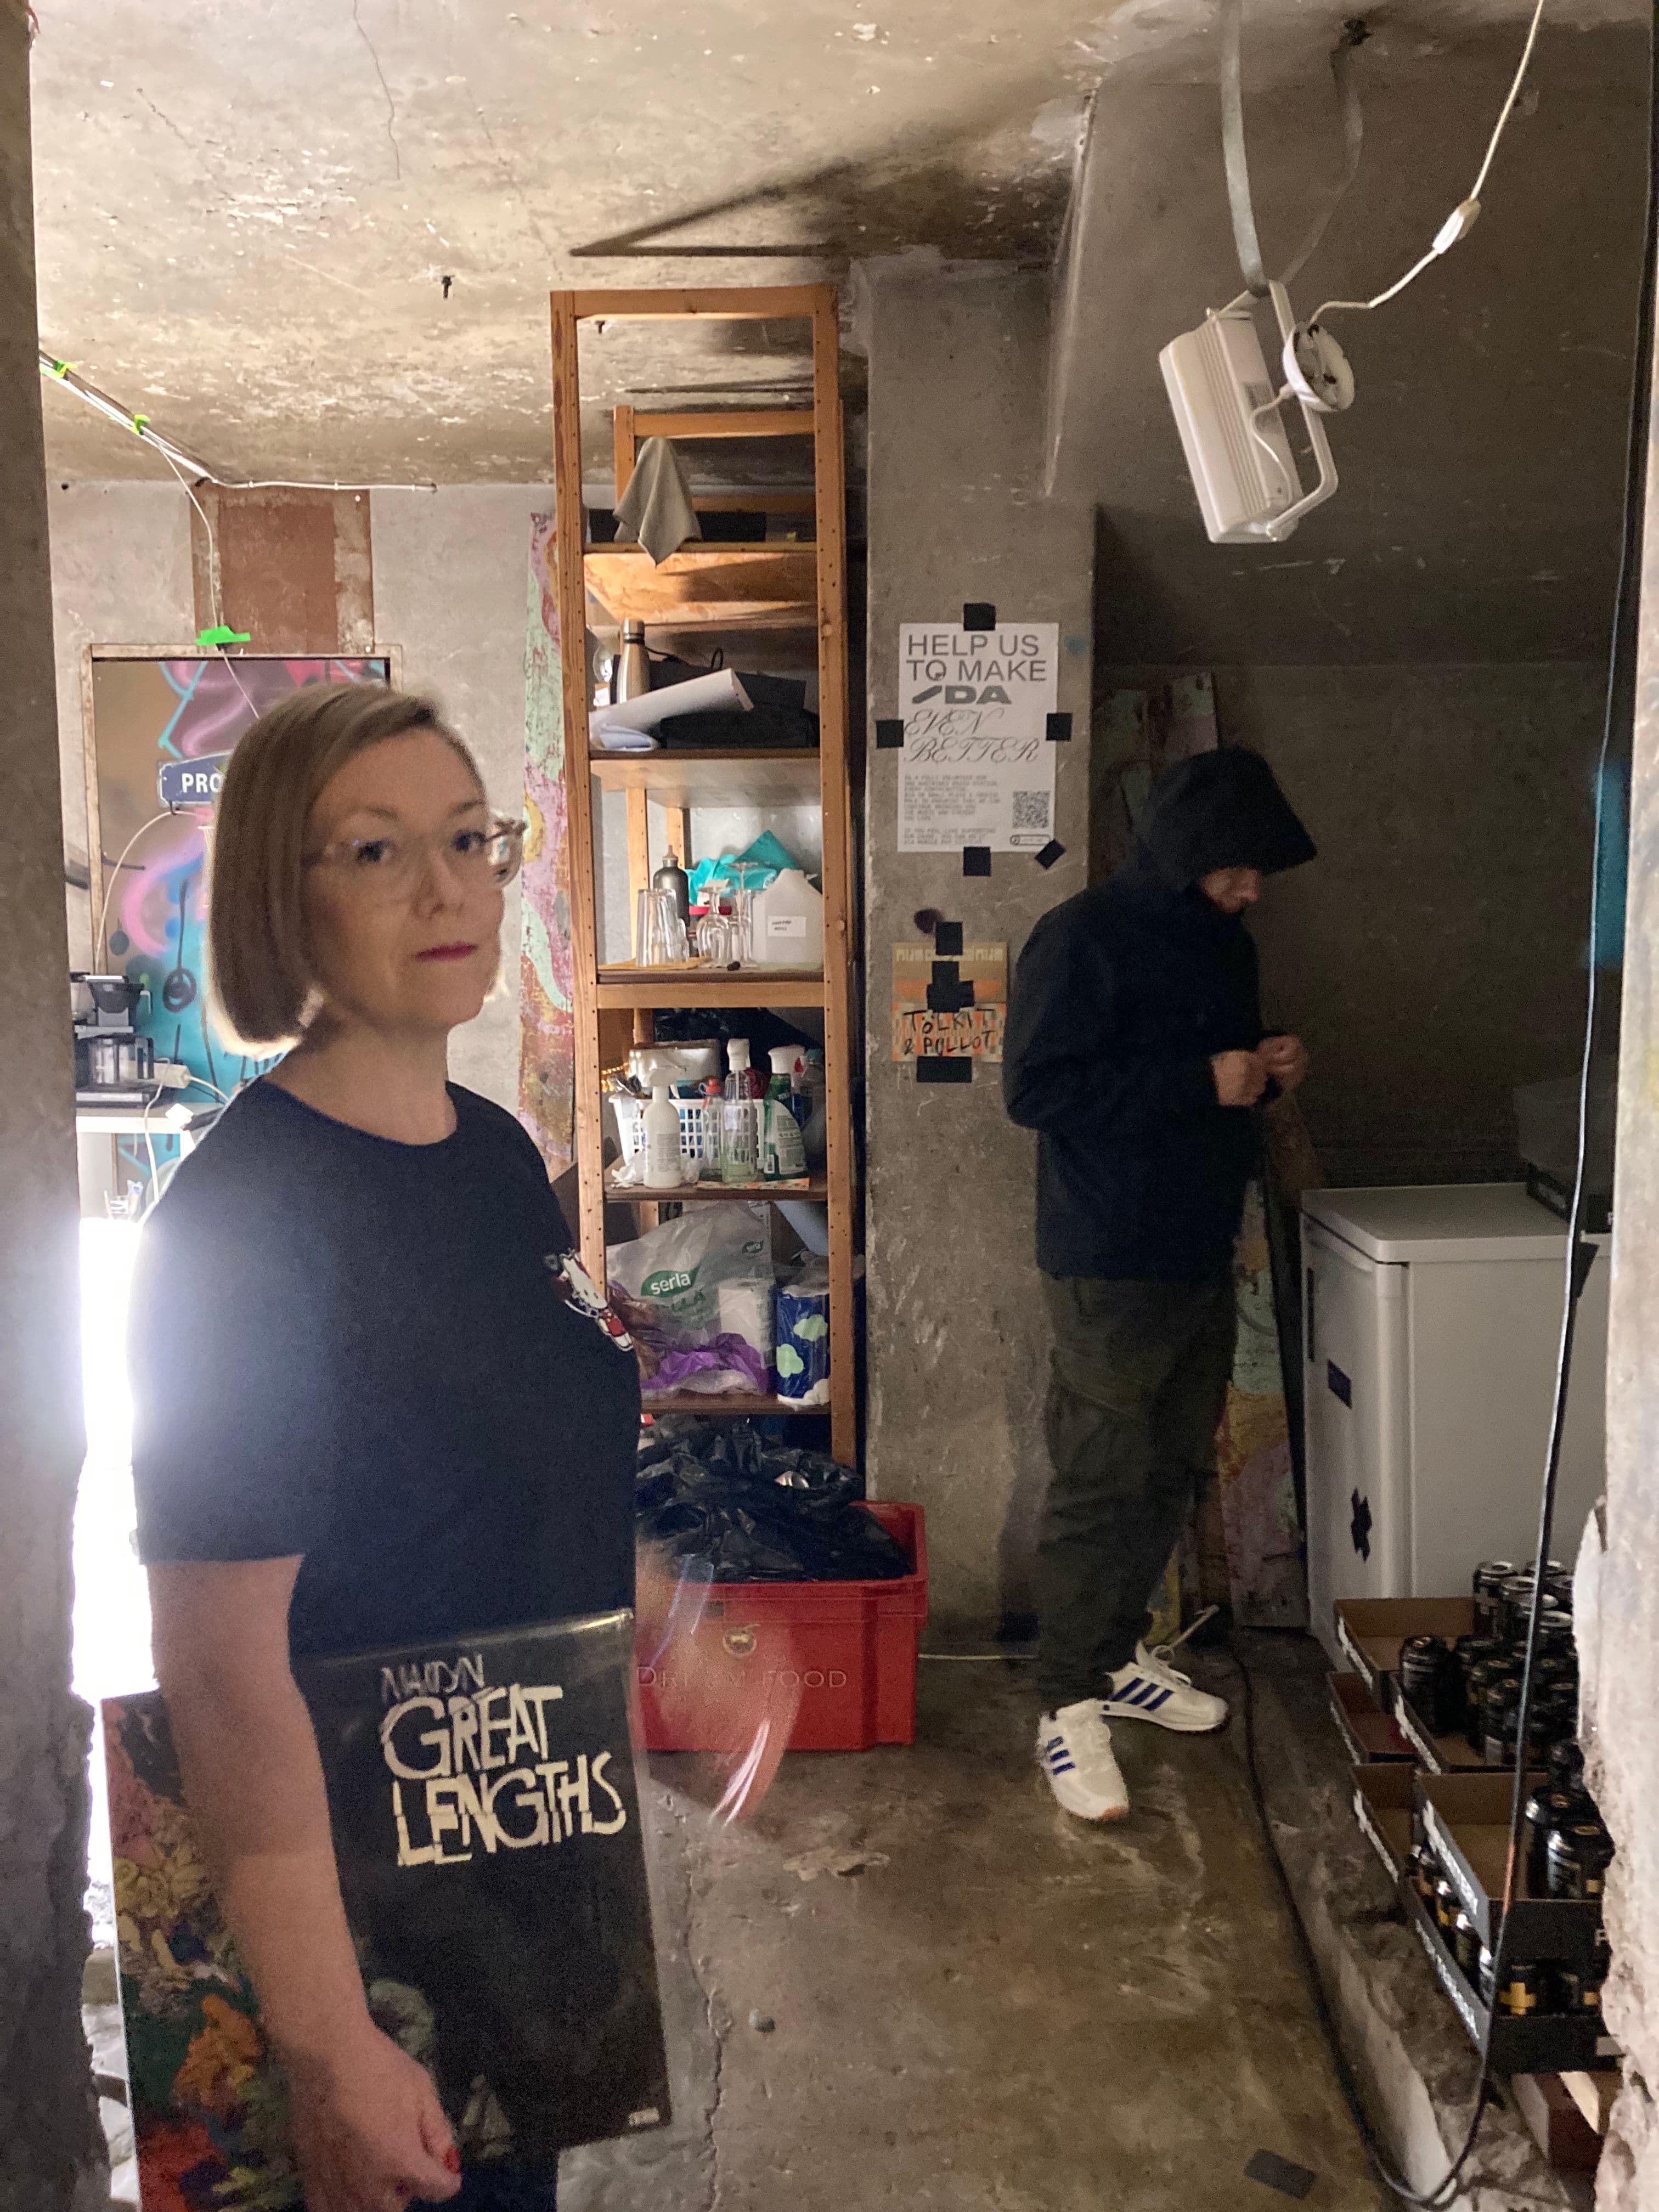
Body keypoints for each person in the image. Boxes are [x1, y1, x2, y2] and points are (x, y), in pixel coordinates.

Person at [130, 685, 641, 2211]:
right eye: (375, 850)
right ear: (279, 899)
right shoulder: (239, 1230)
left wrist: (670, 1618)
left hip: (523, 1871)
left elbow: (499, 1459)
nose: (448, 889)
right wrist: (325, 2044)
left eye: (470, 839)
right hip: (362, 1924)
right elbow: (221, 1670)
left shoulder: (495, 1156)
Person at [1002, 746, 1315, 1822]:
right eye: (1238, 868)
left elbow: (1216, 1074)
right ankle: (1063, 1702)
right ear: (1186, 853)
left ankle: (1115, 1656)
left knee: (1172, 1468)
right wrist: (1200, 1080)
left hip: (1198, 1246)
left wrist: (1266, 1067)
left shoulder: (1227, 945)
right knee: (1101, 1475)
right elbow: (1035, 1090)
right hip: (1107, 1254)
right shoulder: (1080, 936)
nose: (1252, 888)